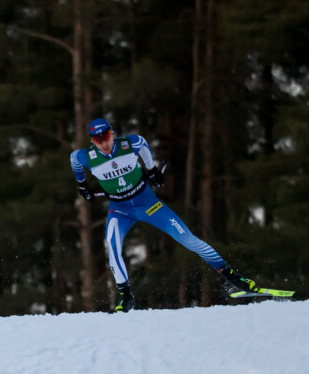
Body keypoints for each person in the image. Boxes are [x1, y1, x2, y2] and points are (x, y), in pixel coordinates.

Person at [69, 118, 256, 312]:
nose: (104, 143)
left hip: (148, 205)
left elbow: (142, 142)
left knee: (189, 240)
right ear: (92, 141)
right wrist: (82, 184)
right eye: (98, 140)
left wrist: (151, 169)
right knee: (113, 248)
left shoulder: (128, 144)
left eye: (106, 137)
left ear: (112, 134)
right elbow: (73, 159)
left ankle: (233, 276)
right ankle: (126, 297)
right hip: (120, 210)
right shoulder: (87, 157)